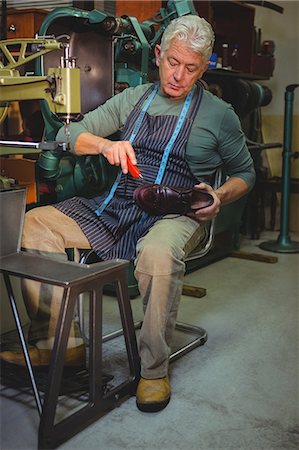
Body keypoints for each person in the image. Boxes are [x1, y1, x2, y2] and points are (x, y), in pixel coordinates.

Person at [0, 15, 255, 412]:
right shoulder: (133, 99)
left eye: (190, 68)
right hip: (118, 203)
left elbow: (245, 173)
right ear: (157, 55)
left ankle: (153, 370)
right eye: (172, 62)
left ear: (203, 68)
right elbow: (68, 135)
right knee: (34, 225)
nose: (178, 75)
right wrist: (104, 146)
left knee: (156, 253)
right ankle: (58, 345)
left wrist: (219, 195)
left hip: (178, 211)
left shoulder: (219, 114)